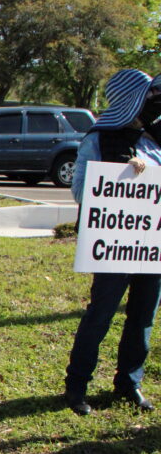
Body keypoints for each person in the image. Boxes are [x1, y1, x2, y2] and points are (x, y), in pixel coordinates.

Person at [64, 69, 161, 416]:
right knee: (100, 315)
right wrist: (120, 174)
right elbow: (79, 191)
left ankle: (129, 383)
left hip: (151, 248)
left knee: (143, 317)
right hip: (112, 248)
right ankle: (77, 386)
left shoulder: (154, 140)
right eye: (149, 98)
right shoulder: (98, 140)